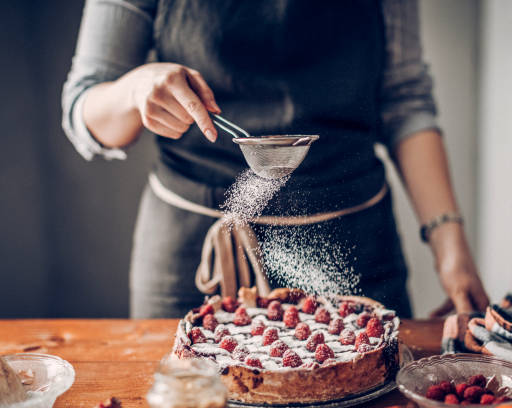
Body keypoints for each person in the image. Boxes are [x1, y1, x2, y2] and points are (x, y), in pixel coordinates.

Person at [62, 0, 489, 318]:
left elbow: (404, 98)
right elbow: (86, 110)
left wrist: (450, 246)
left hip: (353, 241)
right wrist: (135, 90)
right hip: (192, 251)